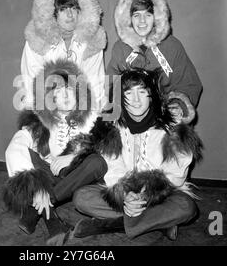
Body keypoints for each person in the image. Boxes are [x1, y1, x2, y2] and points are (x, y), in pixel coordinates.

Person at [72, 68, 203, 241]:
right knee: (81, 198)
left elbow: (176, 172)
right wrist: (126, 196)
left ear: (152, 95)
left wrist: (146, 195)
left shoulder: (172, 125)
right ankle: (157, 223)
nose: (135, 100)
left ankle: (115, 225)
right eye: (128, 92)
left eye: (142, 92)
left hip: (160, 193)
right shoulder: (112, 126)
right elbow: (113, 166)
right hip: (126, 192)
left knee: (186, 207)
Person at [3, 59, 107, 245]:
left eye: (69, 90)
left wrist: (74, 156)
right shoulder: (41, 121)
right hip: (50, 175)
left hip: (78, 177)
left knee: (96, 161)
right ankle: (53, 224)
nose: (65, 96)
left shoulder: (92, 117)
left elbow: (106, 149)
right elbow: (17, 145)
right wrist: (36, 186)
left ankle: (36, 211)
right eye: (58, 92)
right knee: (25, 150)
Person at [107, 0, 202, 124]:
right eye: (136, 15)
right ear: (129, 19)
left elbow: (189, 84)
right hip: (130, 119)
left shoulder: (172, 46)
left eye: (148, 15)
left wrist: (177, 106)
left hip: (164, 120)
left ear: (156, 17)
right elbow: (111, 85)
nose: (142, 21)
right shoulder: (120, 49)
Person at [21, 0, 106, 110]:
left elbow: (95, 85)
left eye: (73, 7)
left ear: (81, 11)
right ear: (53, 13)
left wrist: (94, 123)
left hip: (81, 112)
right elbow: (32, 85)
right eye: (63, 9)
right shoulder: (37, 41)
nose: (69, 14)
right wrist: (36, 124)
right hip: (47, 112)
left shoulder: (92, 41)